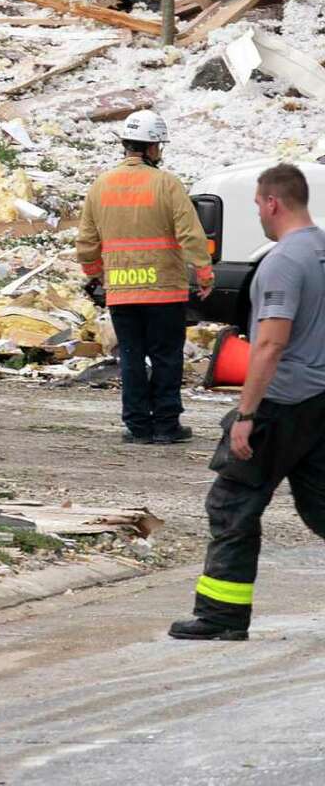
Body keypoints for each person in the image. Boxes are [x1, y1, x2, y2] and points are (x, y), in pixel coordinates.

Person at [171, 163, 325, 641]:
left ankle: (221, 617)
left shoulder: (282, 262)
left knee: (232, 504)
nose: (258, 211)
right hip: (321, 400)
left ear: (273, 203)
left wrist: (246, 414)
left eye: (258, 203)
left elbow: (269, 344)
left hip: (281, 402)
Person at [75, 110, 213, 445]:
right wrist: (204, 273)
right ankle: (167, 426)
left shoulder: (101, 185)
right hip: (164, 290)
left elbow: (86, 244)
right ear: (152, 148)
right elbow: (190, 233)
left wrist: (97, 277)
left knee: (132, 357)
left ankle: (137, 427)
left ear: (126, 144)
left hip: (122, 291)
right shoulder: (167, 183)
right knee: (166, 357)